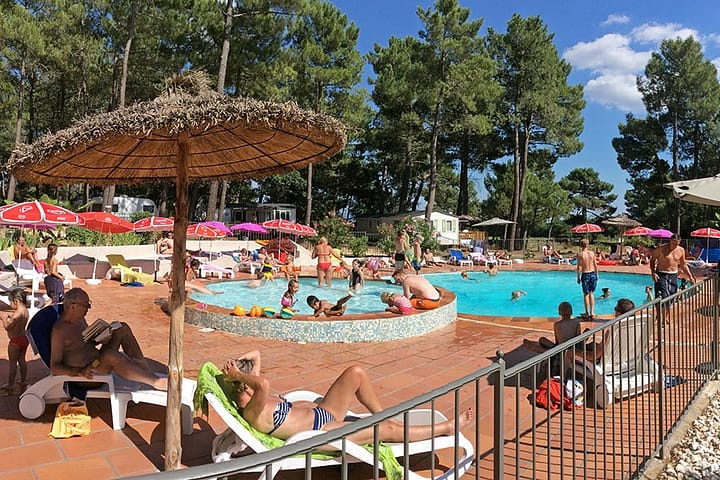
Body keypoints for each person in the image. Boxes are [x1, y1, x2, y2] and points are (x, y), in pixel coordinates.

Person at [221, 350, 472, 442]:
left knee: (355, 372)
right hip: (321, 434)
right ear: (242, 386)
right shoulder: (251, 410)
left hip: (323, 413)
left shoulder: (252, 392)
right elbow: (262, 383)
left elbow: (256, 355)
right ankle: (446, 428)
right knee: (386, 429)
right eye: (246, 381)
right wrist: (238, 375)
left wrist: (237, 370)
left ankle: (382, 414)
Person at [49, 288, 165, 389]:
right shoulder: (59, 331)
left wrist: (99, 338)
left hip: (97, 362)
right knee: (110, 355)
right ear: (73, 306)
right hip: (88, 373)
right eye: (86, 305)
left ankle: (145, 371)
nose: (89, 308)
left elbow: (84, 344)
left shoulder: (79, 320)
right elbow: (55, 367)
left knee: (121, 327)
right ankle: (155, 382)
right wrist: (80, 372)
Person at [649, 235, 695, 321]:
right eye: (673, 243)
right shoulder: (661, 248)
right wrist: (653, 272)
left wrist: (690, 276)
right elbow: (652, 260)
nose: (674, 245)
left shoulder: (681, 250)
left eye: (676, 244)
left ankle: (665, 316)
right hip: (661, 274)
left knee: (671, 296)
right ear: (670, 240)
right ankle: (659, 316)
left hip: (673, 275)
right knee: (662, 295)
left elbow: (683, 265)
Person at [2, 289, 29, 392]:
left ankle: (10, 385)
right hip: (24, 339)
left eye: (11, 302)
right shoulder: (25, 311)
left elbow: (7, 327)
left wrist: (4, 319)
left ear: (16, 301)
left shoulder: (16, 314)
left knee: (13, 363)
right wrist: (11, 317)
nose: (10, 305)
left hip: (15, 341)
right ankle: (23, 381)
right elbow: (18, 321)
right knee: (22, 360)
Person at [576, 238, 599, 319]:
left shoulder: (580, 254)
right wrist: (597, 274)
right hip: (592, 273)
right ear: (588, 245)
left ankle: (586, 312)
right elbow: (595, 265)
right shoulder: (592, 253)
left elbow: (579, 267)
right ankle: (592, 312)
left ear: (580, 245)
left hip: (585, 274)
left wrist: (578, 277)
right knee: (591, 293)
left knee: (586, 294)